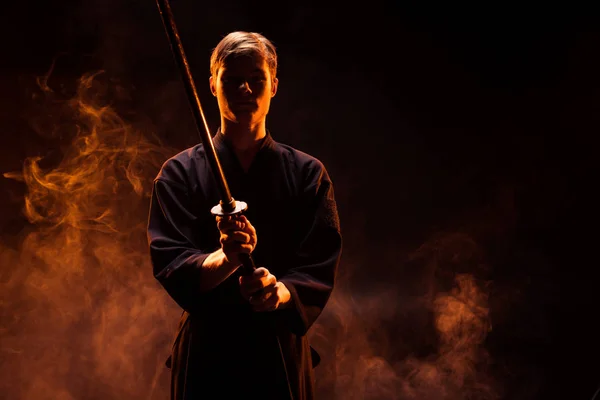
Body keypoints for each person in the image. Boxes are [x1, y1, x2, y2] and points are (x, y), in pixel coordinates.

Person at [147, 31, 343, 399]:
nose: (245, 89)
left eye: (256, 79)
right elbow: (170, 260)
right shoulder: (177, 174)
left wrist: (279, 292)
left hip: (278, 352)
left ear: (274, 86)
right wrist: (226, 259)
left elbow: (318, 262)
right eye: (231, 79)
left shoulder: (308, 174)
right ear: (211, 85)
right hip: (206, 354)